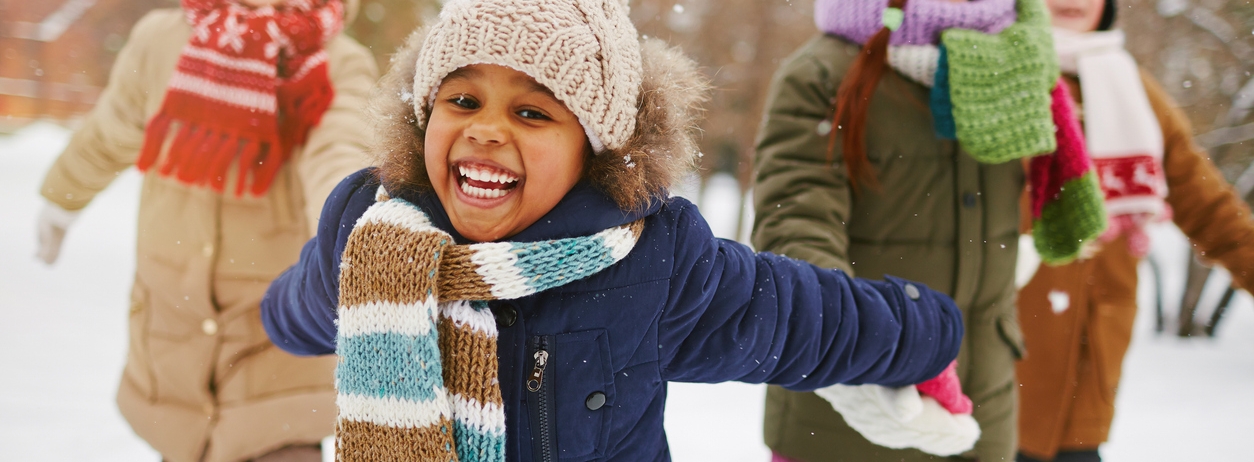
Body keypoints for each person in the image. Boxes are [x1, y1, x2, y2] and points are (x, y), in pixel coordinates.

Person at [259, 0, 972, 460]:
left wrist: (923, 332)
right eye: (462, 99)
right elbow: (309, 302)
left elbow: (794, 317)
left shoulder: (650, 261)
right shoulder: (376, 236)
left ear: (594, 148)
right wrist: (279, 314)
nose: (485, 129)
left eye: (533, 113)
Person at [752, 0, 1109, 460]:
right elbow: (795, 227)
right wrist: (867, 344)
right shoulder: (823, 73)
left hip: (984, 410)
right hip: (849, 415)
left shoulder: (1015, 67)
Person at [34, 0, 377, 460]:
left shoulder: (335, 61)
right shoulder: (161, 41)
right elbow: (112, 129)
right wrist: (62, 197)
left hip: (272, 338)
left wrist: (351, 234)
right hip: (172, 325)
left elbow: (340, 149)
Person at [1014, 0, 1254, 460]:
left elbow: (1210, 210)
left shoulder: (1132, 91)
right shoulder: (989, 77)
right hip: (996, 356)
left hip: (1088, 363)